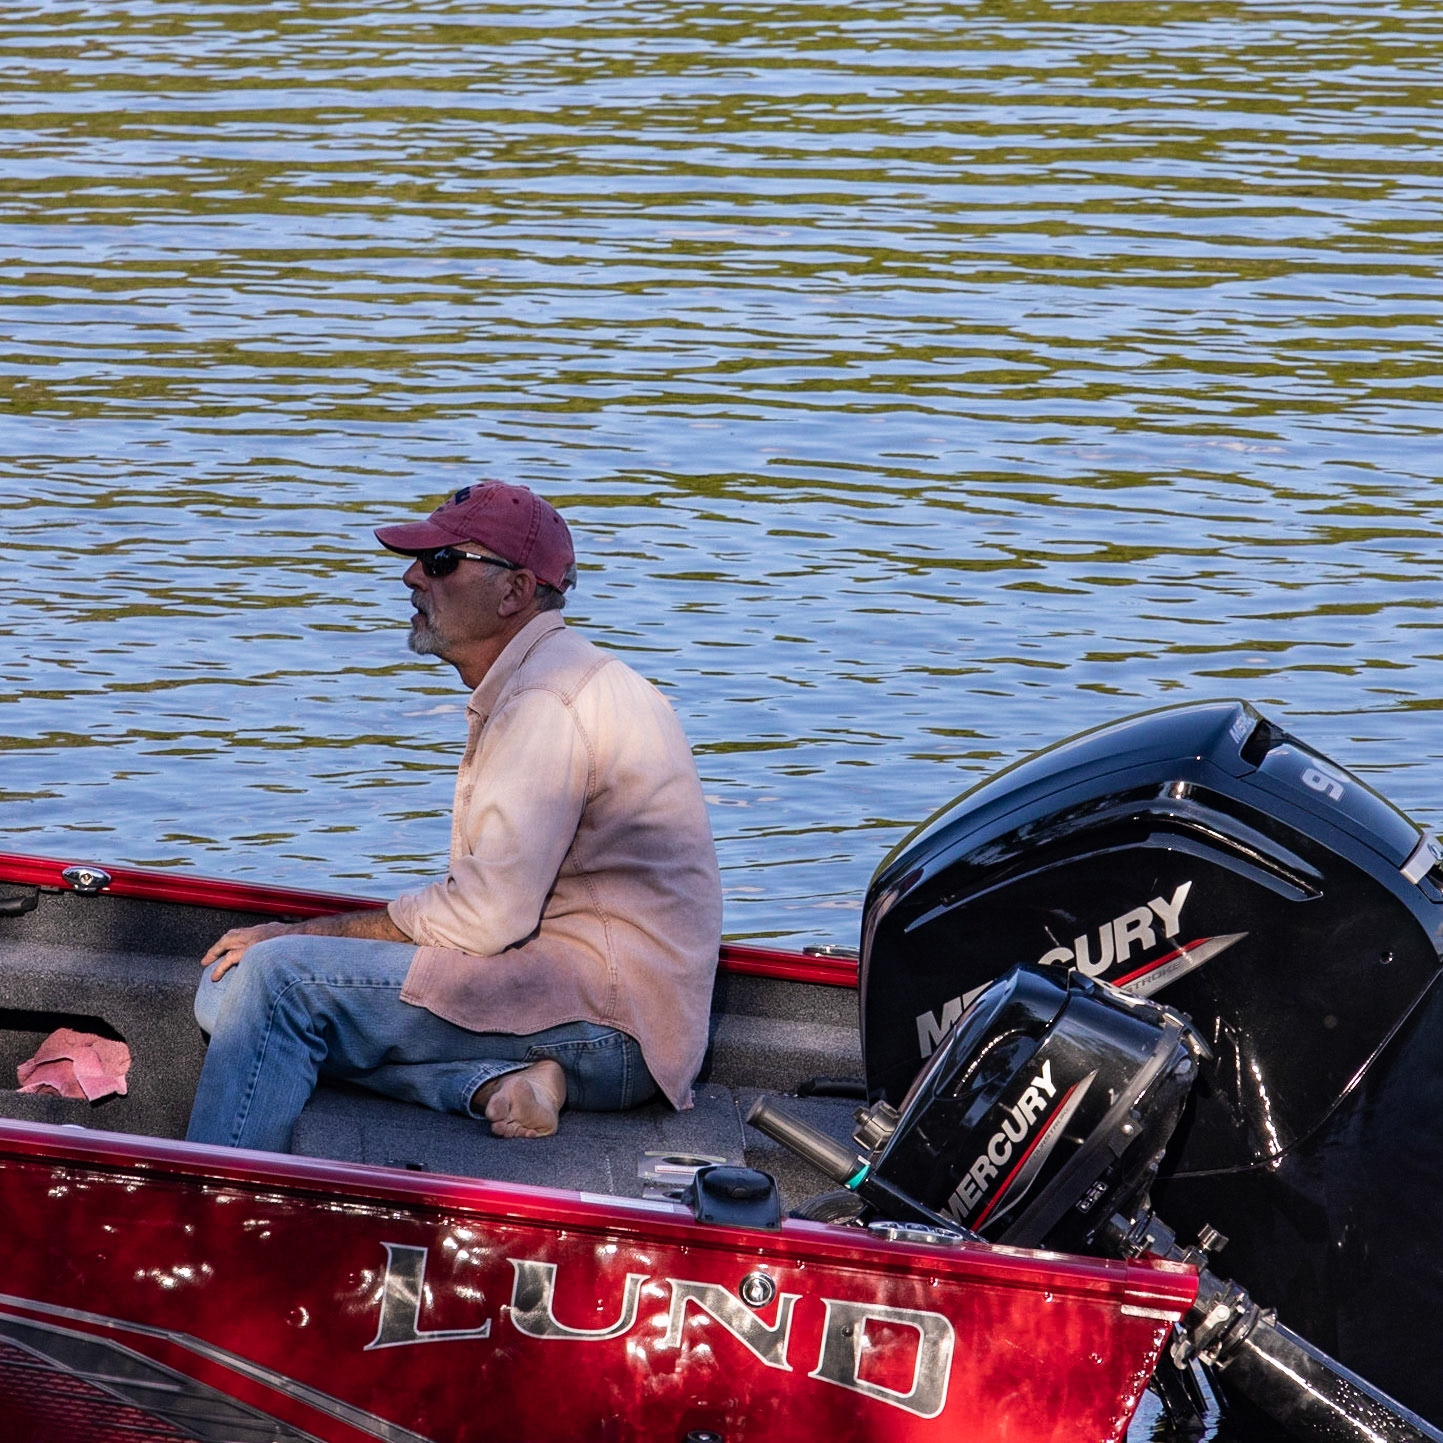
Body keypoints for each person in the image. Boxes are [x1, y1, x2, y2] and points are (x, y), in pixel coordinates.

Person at [185, 482, 723, 1151]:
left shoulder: (544, 703)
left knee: (270, 986)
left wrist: (304, 937)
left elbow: (484, 918)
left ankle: (213, 1213)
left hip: (610, 1024)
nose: (411, 575)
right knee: (224, 994)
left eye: (440, 561)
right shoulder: (559, 676)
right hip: (611, 1009)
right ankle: (497, 1080)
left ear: (514, 590)